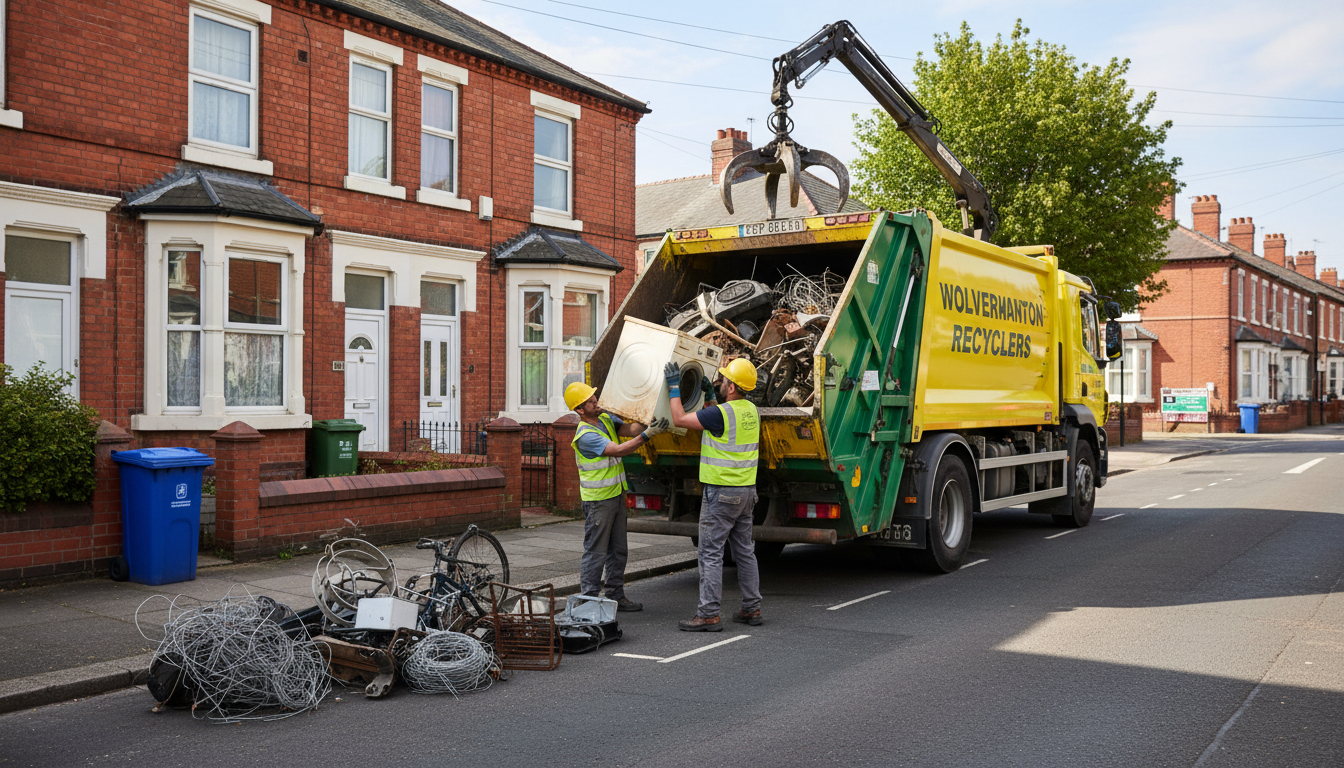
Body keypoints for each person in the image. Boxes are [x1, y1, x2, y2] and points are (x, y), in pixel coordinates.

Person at [664, 358, 763, 631]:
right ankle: (751, 608)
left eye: (723, 380)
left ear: (732, 387)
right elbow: (716, 419)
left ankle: (708, 614)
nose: (720, 382)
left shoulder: (721, 414)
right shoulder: (751, 410)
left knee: (710, 553)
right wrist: (708, 395)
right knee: (745, 552)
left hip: (721, 494)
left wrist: (674, 387)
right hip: (746, 493)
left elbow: (679, 419)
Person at [563, 381, 668, 612]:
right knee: (596, 552)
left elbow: (632, 430)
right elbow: (619, 449)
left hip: (616, 495)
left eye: (595, 398)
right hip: (598, 501)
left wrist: (644, 416)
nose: (596, 402)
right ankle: (590, 602)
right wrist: (649, 435)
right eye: (590, 401)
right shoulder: (585, 435)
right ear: (580, 410)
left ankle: (616, 595)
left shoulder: (606, 420)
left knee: (619, 550)